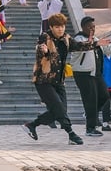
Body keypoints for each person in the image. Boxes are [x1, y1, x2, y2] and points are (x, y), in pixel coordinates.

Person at [22, 15, 84, 145]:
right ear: (51, 27)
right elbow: (40, 49)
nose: (60, 29)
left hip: (59, 81)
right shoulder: (45, 37)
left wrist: (96, 44)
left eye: (62, 26)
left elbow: (78, 46)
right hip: (43, 81)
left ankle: (32, 125)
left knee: (60, 110)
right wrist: (44, 51)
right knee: (58, 108)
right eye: (57, 27)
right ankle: (71, 133)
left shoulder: (66, 38)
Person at [71, 16, 111, 136]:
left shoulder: (95, 39)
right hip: (83, 74)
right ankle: (90, 128)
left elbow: (108, 49)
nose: (92, 29)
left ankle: (90, 114)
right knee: (90, 100)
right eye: (90, 27)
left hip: (96, 74)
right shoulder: (78, 39)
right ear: (83, 27)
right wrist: (93, 43)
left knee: (104, 96)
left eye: (94, 27)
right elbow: (82, 47)